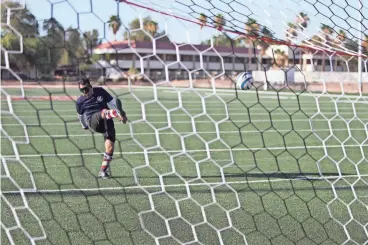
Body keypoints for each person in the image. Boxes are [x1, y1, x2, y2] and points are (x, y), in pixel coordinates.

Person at [76, 78, 127, 179]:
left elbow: (113, 102)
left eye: (85, 89)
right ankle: (117, 113)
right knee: (103, 111)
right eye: (81, 90)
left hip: (107, 121)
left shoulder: (100, 91)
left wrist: (118, 109)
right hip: (94, 121)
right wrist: (84, 126)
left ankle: (102, 171)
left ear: (90, 86)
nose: (84, 92)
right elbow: (80, 116)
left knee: (110, 147)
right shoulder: (79, 102)